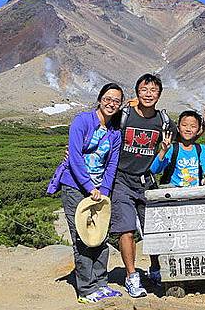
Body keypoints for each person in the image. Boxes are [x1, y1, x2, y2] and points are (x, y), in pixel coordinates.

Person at [110, 74, 205, 297]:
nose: (148, 94)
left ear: (159, 94)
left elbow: (188, 138)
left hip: (147, 182)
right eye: (144, 89)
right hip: (121, 179)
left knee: (154, 230)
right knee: (126, 229)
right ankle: (132, 277)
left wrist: (204, 124)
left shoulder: (164, 121)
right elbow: (101, 128)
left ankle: (156, 270)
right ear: (137, 92)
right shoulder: (124, 115)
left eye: (153, 90)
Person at [51, 83, 124, 304]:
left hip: (99, 192)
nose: (112, 103)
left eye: (117, 101)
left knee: (101, 237)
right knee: (82, 238)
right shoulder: (82, 121)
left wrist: (103, 190)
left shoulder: (115, 132)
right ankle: (85, 288)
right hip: (75, 187)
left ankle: (100, 283)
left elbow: (112, 164)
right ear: (100, 99)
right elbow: (74, 156)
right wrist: (88, 187)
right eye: (108, 98)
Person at [150, 110, 205, 187]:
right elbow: (155, 170)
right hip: (174, 194)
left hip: (195, 194)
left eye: (193, 126)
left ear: (199, 129)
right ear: (178, 128)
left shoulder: (201, 149)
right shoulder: (172, 148)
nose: (188, 129)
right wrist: (163, 151)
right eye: (184, 125)